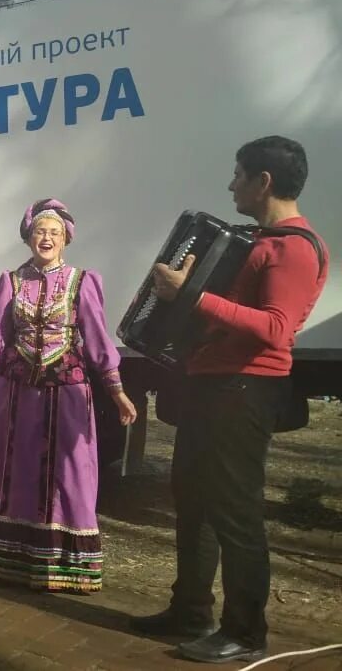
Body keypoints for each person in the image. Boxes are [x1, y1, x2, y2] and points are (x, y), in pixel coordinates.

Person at [131, 136, 328, 664]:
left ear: (264, 181)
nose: (231, 184)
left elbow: (276, 329)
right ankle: (191, 611)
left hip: (244, 391)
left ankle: (245, 631)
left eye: (238, 175)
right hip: (211, 384)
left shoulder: (294, 249)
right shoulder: (258, 242)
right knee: (193, 501)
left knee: (236, 513)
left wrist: (191, 295)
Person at [0, 199, 137, 592]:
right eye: (40, 231)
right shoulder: (11, 281)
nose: (46, 238)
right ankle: (13, 556)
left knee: (69, 471)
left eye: (54, 233)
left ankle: (64, 563)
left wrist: (117, 391)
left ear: (66, 240)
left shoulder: (81, 281)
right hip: (17, 393)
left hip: (66, 392)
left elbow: (96, 338)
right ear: (28, 236)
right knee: (17, 468)